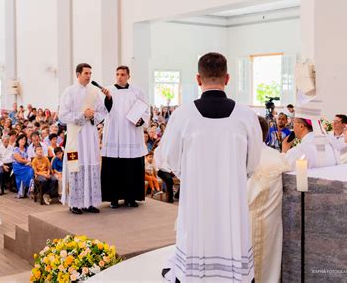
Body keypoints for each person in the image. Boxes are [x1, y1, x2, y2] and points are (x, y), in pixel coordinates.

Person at [158, 53, 262, 282]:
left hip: (196, 197)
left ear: (198, 78)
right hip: (232, 198)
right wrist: (232, 174)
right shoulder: (246, 115)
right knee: (232, 239)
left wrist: (193, 174)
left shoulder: (182, 114)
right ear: (227, 78)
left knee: (195, 237)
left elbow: (170, 159)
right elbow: (253, 162)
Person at [58, 63, 106, 214]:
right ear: (78, 74)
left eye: (90, 73)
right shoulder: (69, 92)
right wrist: (82, 115)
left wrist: (93, 115)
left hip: (90, 135)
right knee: (75, 166)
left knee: (91, 165)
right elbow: (63, 115)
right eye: (86, 73)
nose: (89, 76)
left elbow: (102, 111)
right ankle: (75, 204)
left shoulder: (93, 92)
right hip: (75, 137)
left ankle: (90, 202)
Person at [249, 116, 291, 283]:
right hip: (273, 221)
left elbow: (245, 197)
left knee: (254, 267)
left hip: (251, 221)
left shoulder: (250, 160)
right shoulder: (277, 156)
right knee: (270, 265)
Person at [100, 66, 149, 208]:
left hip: (131, 133)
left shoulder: (137, 91)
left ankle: (131, 197)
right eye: (117, 74)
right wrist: (108, 99)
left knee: (131, 168)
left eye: (122, 74)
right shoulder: (108, 90)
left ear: (128, 76)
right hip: (114, 133)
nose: (119, 77)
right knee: (114, 168)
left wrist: (140, 120)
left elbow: (145, 108)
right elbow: (102, 111)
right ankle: (114, 199)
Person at [12, 134, 34, 198]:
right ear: (18, 140)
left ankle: (30, 189)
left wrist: (30, 162)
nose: (23, 141)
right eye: (21, 139)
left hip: (27, 165)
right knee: (29, 170)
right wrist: (29, 161)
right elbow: (19, 160)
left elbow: (32, 157)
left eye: (24, 139)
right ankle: (30, 189)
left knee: (31, 170)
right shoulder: (16, 149)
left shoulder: (28, 148)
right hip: (18, 166)